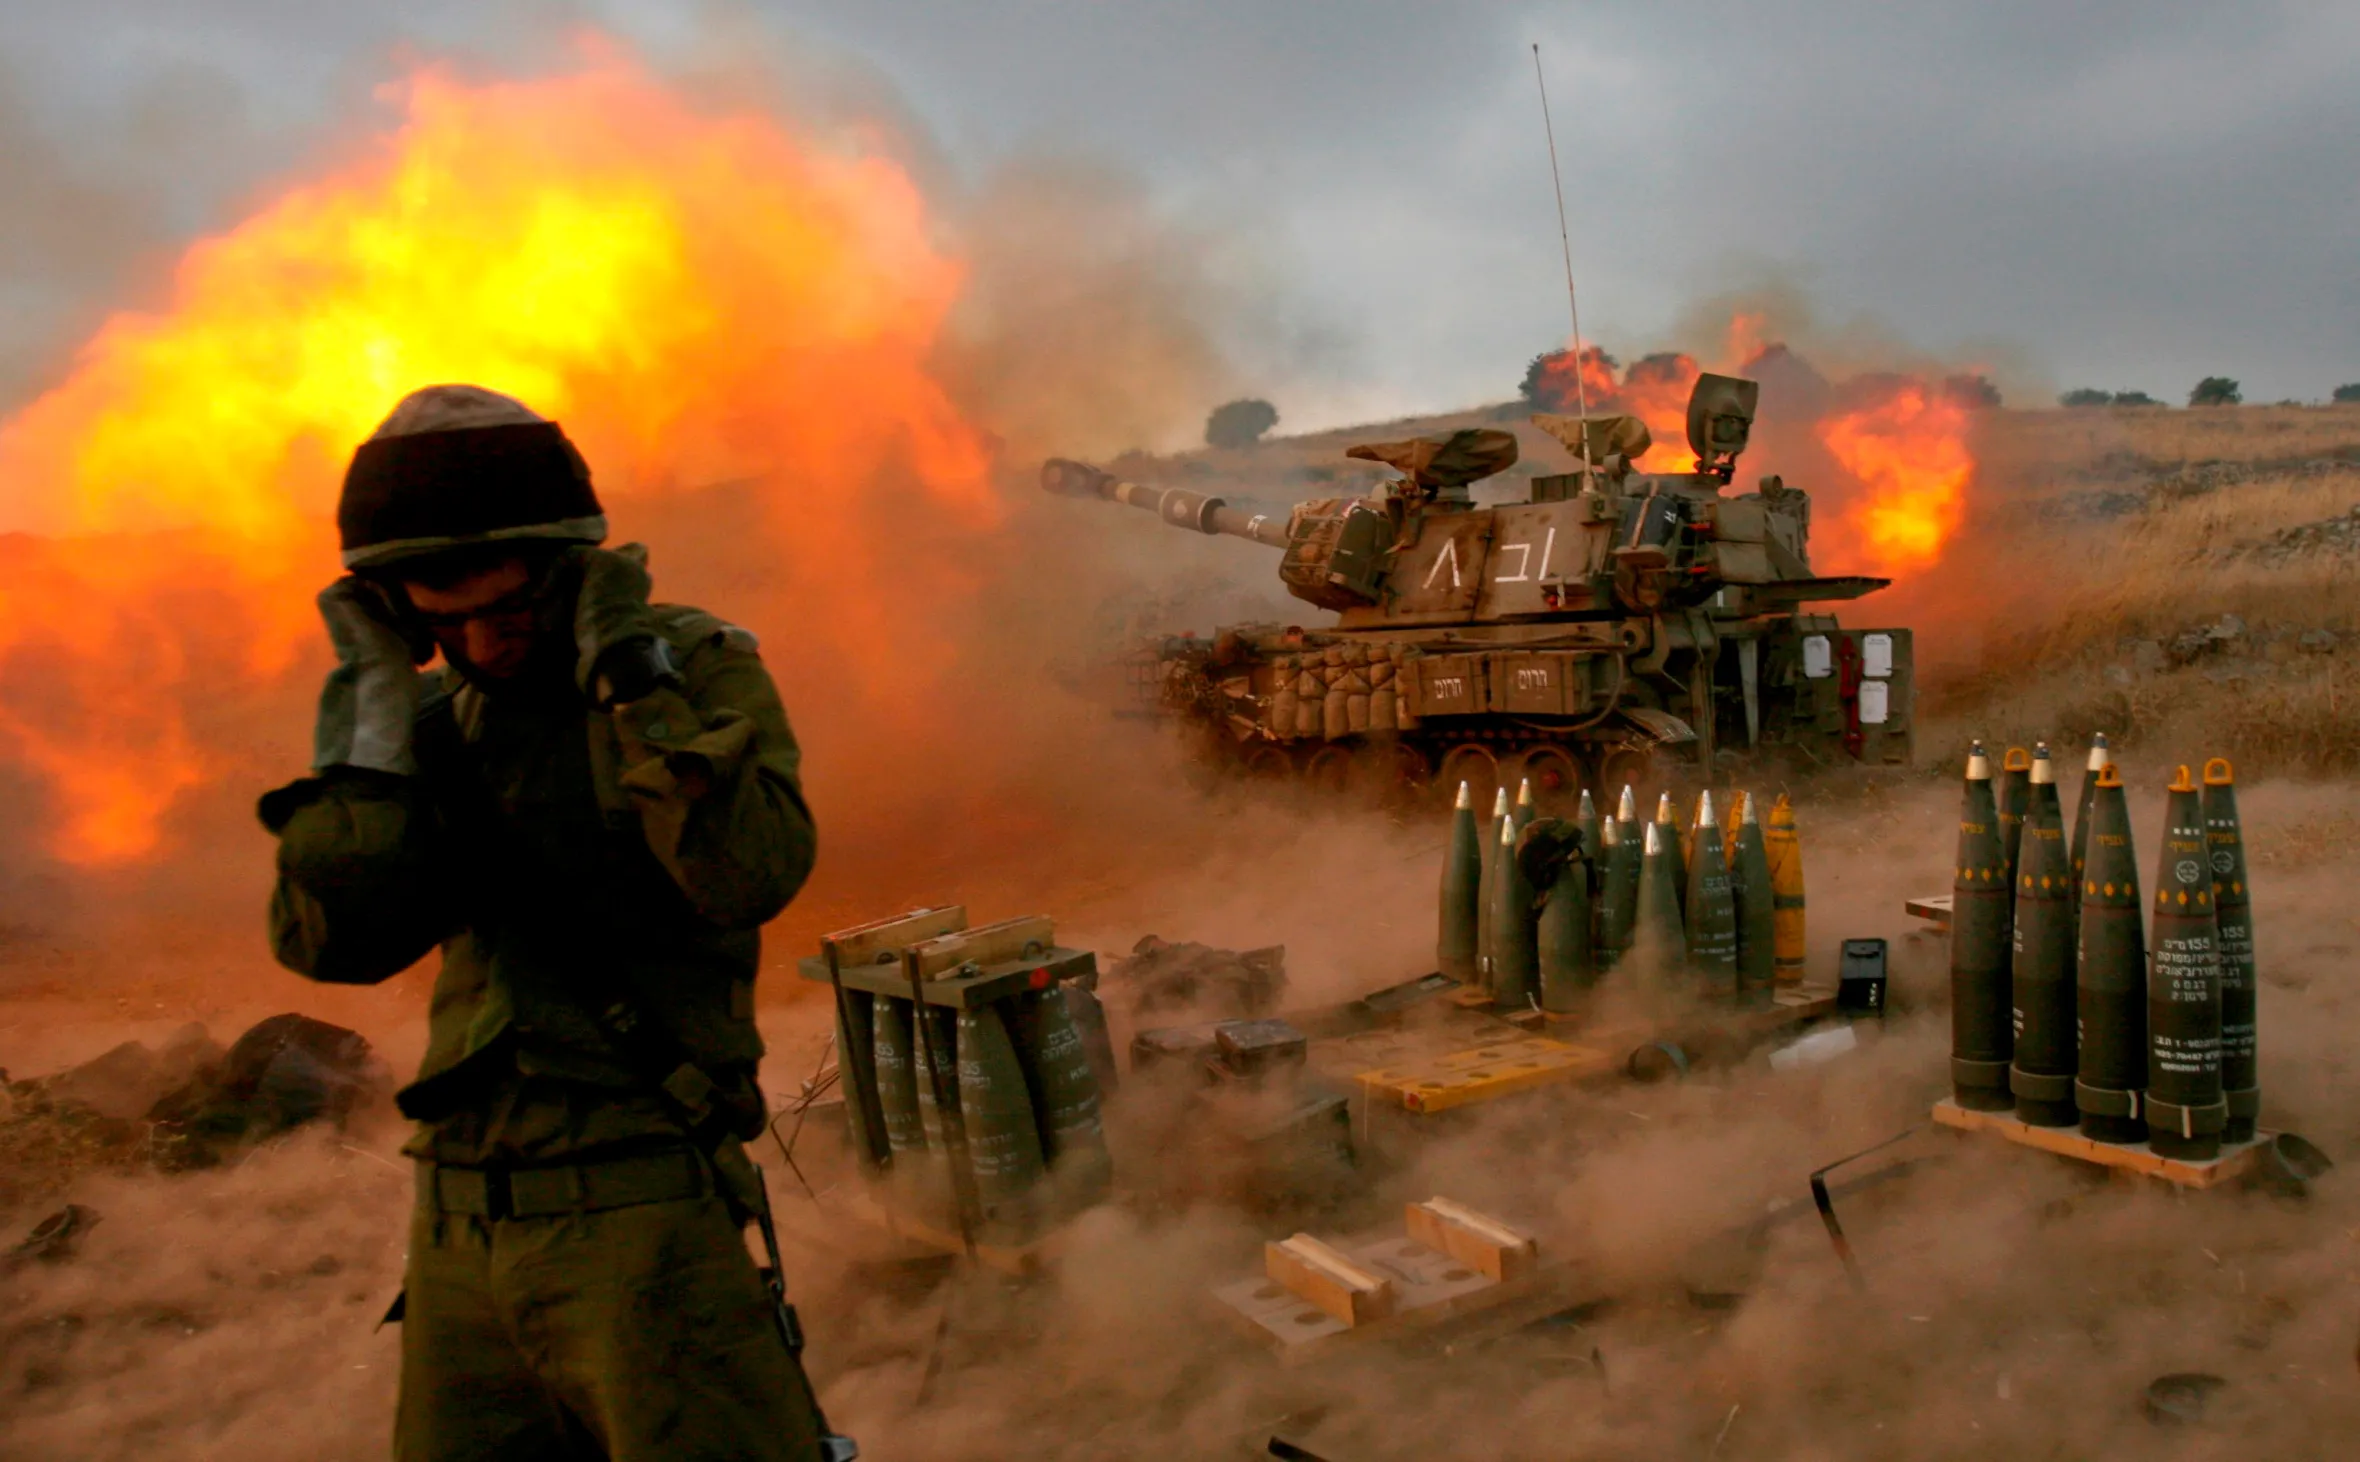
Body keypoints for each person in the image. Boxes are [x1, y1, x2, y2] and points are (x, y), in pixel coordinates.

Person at [259, 384, 843, 1461]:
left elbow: (747, 873)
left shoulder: (687, 672)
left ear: (571, 571)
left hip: (638, 1213)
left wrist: (633, 682)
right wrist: (371, 715)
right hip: (456, 1221)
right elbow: (328, 941)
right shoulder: (427, 724)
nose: (486, 640)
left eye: (511, 607)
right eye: (443, 618)